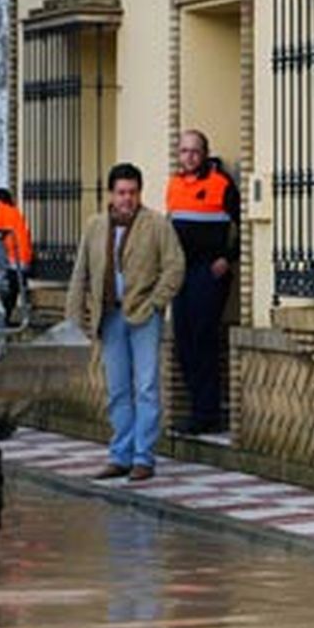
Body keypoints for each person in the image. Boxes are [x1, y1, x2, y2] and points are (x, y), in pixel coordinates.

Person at [66, 163, 185, 482]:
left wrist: (155, 303)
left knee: (146, 386)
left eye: (132, 193)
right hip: (109, 315)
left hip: (144, 316)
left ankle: (144, 456)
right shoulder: (95, 226)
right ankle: (120, 454)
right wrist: (74, 319)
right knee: (118, 389)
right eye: (121, 193)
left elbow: (174, 267)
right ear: (111, 194)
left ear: (139, 193)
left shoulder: (157, 225)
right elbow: (81, 273)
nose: (126, 199)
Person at [166, 129, 240, 436]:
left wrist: (228, 258)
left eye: (195, 151)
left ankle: (207, 413)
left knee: (202, 338)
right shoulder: (173, 185)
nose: (189, 157)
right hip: (181, 272)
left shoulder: (222, 185)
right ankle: (198, 408)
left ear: (205, 154)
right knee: (183, 341)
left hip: (208, 273)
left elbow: (243, 225)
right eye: (184, 151)